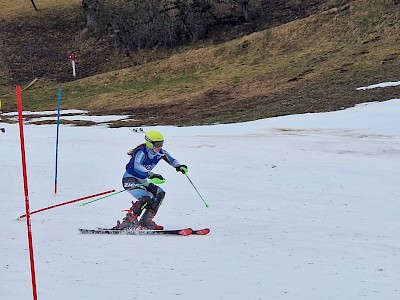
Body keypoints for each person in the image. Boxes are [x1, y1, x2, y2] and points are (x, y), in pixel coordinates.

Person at [114, 130, 188, 230]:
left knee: (160, 193)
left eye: (161, 144)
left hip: (143, 180)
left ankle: (146, 221)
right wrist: (151, 175)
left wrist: (179, 166)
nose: (160, 147)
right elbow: (137, 165)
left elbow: (172, 160)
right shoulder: (142, 151)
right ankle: (128, 221)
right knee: (145, 198)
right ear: (149, 143)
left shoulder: (160, 153)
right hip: (129, 179)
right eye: (157, 144)